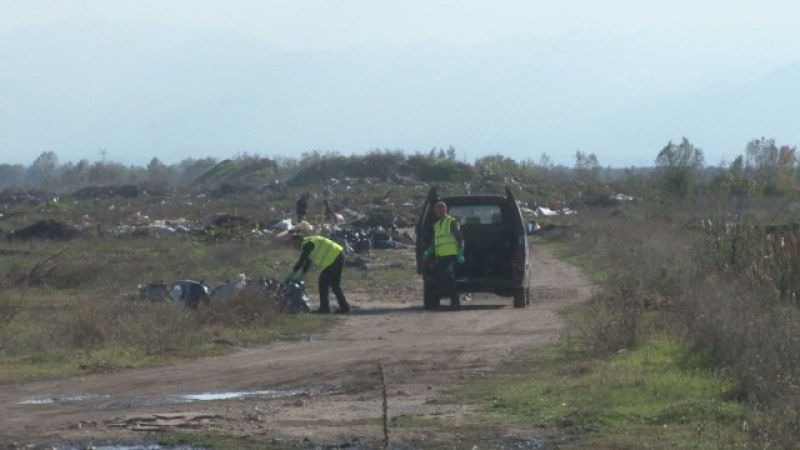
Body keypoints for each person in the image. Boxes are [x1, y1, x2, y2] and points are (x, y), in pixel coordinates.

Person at [284, 234, 350, 314]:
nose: (293, 246)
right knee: (335, 285)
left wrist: (292, 274)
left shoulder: (307, 244)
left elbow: (302, 260)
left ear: (297, 240)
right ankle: (344, 308)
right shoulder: (310, 241)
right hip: (339, 256)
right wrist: (302, 274)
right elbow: (308, 261)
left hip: (333, 260)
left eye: (293, 244)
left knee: (322, 283)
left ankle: (324, 309)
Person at [423, 201, 465, 310]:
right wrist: (429, 251)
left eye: (437, 210)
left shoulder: (451, 222)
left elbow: (460, 238)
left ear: (442, 210)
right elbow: (435, 241)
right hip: (440, 256)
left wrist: (460, 253)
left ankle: (456, 303)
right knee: (442, 277)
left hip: (450, 255)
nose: (435, 212)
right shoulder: (436, 225)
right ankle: (451, 301)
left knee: (447, 276)